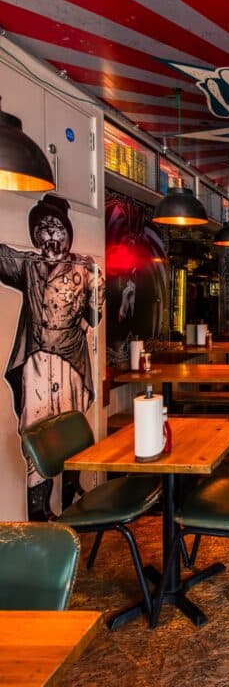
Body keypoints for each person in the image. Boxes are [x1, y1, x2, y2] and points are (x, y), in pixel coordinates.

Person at [0, 194, 104, 519]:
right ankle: (39, 512)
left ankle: (73, 501)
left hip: (71, 361)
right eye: (44, 228)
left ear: (68, 234)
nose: (50, 236)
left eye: (57, 228)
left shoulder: (84, 269)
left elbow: (96, 317)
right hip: (35, 363)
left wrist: (97, 282)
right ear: (35, 235)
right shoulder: (27, 266)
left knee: (72, 430)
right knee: (35, 430)